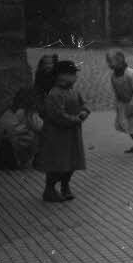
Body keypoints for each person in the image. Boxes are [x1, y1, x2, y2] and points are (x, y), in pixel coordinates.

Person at [35, 60, 88, 202]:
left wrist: (84, 112)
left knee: (71, 161)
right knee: (58, 163)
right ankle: (49, 189)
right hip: (57, 135)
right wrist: (76, 119)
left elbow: (84, 104)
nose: (74, 77)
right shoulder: (54, 94)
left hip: (72, 134)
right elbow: (57, 115)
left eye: (74, 74)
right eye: (71, 74)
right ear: (60, 76)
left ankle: (65, 186)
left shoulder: (73, 91)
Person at [0, 88, 42, 170]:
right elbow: (42, 127)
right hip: (19, 149)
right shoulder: (29, 113)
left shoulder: (9, 111)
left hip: (3, 145)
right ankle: (39, 162)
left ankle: (6, 159)